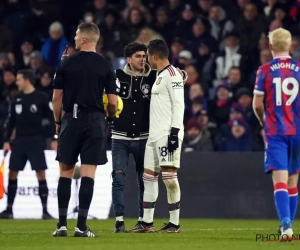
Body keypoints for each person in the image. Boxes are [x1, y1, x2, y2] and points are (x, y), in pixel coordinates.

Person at [111, 42, 187, 233]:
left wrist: (175, 132)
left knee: (169, 178)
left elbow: (179, 105)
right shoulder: (159, 76)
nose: (145, 60)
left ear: (153, 57)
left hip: (167, 133)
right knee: (149, 178)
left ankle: (174, 223)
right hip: (153, 136)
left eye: (147, 56)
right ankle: (146, 223)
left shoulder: (172, 75)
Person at [51, 23, 118, 237]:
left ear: (83, 40)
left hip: (71, 118)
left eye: (76, 35)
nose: (74, 37)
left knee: (65, 172)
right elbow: (114, 102)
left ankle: (61, 225)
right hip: (95, 121)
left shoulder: (66, 63)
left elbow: (56, 98)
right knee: (89, 172)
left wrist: (58, 121)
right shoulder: (106, 65)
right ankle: (81, 226)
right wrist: (108, 118)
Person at [253, 27, 300, 241]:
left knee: (279, 180)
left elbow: (257, 104)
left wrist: (264, 121)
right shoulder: (299, 69)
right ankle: (288, 227)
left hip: (276, 131)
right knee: (292, 181)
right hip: (297, 131)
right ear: (290, 45)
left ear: (270, 46)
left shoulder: (264, 70)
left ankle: (287, 226)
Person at [0, 69, 55, 220]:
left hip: (36, 140)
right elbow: (11, 121)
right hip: (19, 141)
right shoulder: (16, 98)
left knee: (40, 173)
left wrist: (53, 138)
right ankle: (9, 209)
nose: (16, 82)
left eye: (19, 80)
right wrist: (6, 141)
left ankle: (45, 211)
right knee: (12, 172)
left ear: (27, 80)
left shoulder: (41, 97)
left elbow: (50, 119)